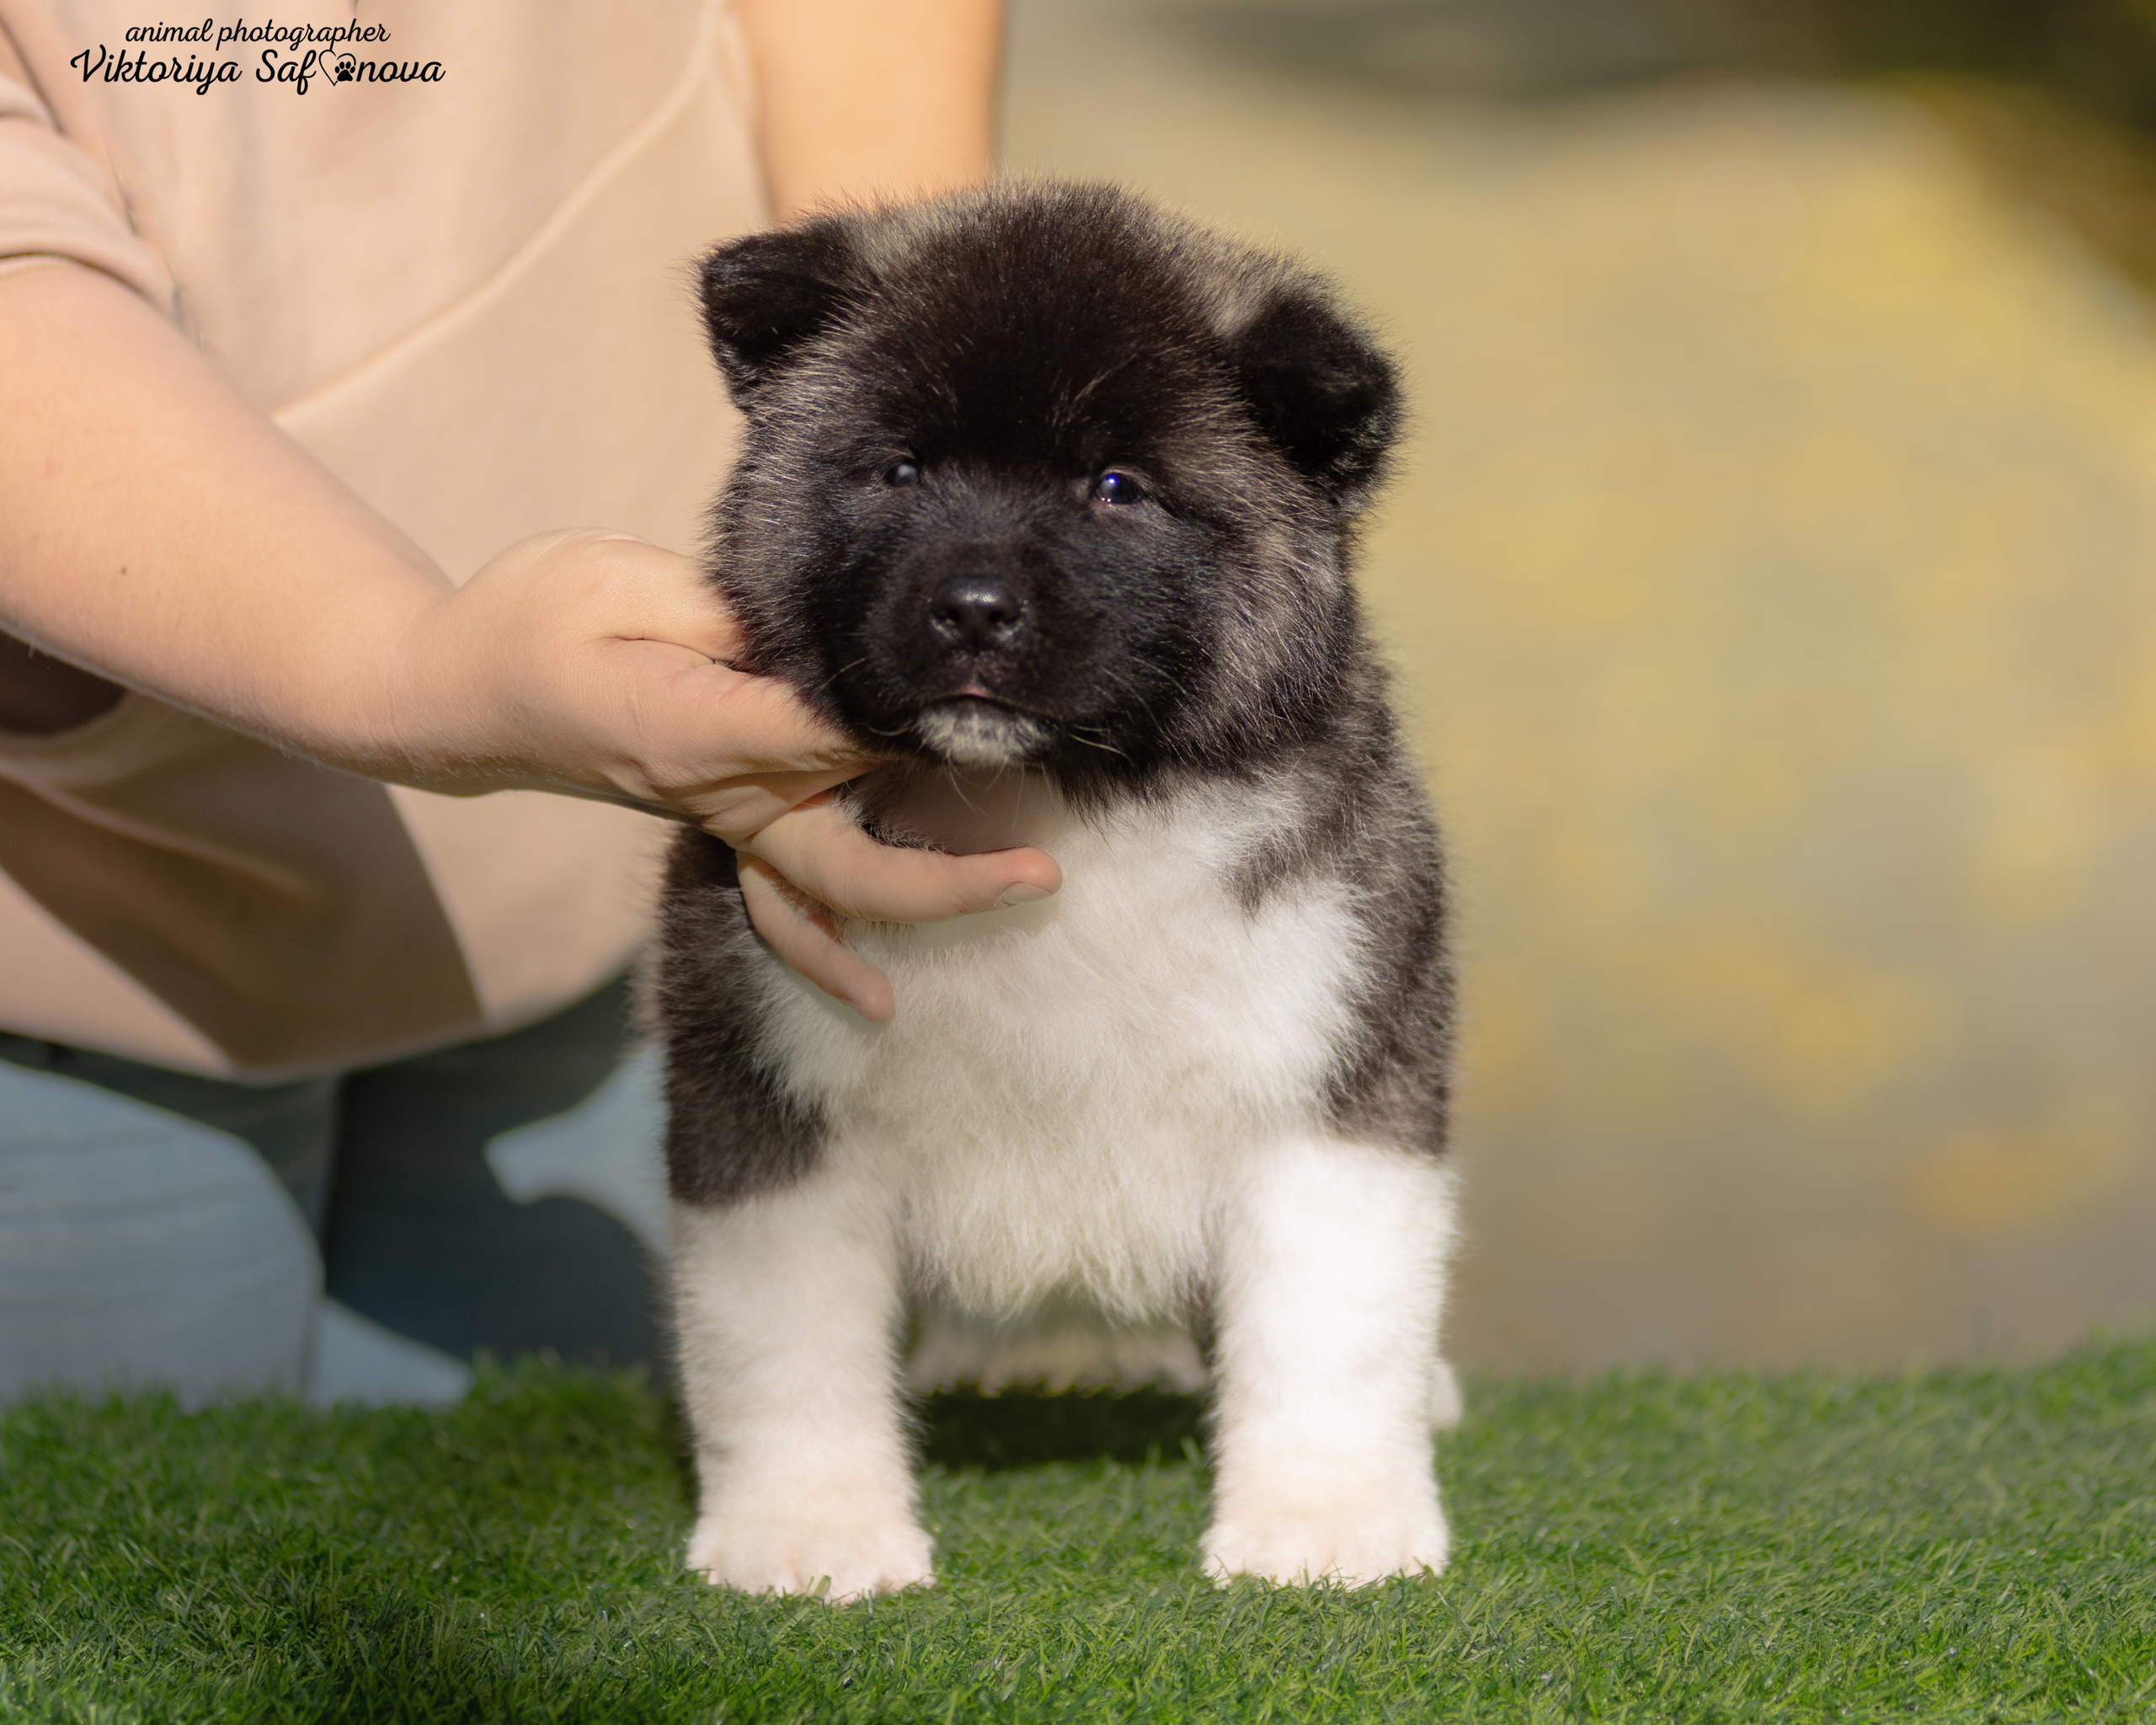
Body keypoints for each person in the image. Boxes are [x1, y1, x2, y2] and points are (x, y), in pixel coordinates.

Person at [0, 0, 1054, 1404]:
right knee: (117, 1579)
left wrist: (913, 401)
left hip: (678, 878)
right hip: (90, 955)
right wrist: (421, 662)